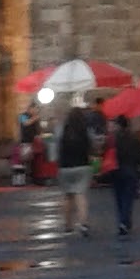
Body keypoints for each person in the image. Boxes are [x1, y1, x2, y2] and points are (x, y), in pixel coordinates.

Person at [56, 99, 94, 234]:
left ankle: (67, 225)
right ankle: (83, 223)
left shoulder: (63, 130)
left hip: (65, 166)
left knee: (67, 196)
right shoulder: (85, 130)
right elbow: (91, 146)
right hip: (82, 166)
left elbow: (57, 145)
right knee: (80, 195)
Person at [108, 112, 140, 236]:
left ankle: (122, 221)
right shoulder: (134, 138)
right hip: (131, 170)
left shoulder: (113, 139)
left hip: (116, 170)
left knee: (119, 198)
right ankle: (125, 221)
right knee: (128, 198)